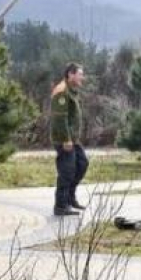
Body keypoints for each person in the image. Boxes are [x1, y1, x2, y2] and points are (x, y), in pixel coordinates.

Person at [50, 63, 88, 217]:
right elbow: (60, 119)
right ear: (70, 75)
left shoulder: (72, 91)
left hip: (73, 139)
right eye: (80, 74)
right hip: (63, 139)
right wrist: (66, 139)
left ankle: (70, 198)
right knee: (67, 171)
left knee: (82, 164)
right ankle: (60, 206)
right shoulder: (62, 91)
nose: (82, 78)